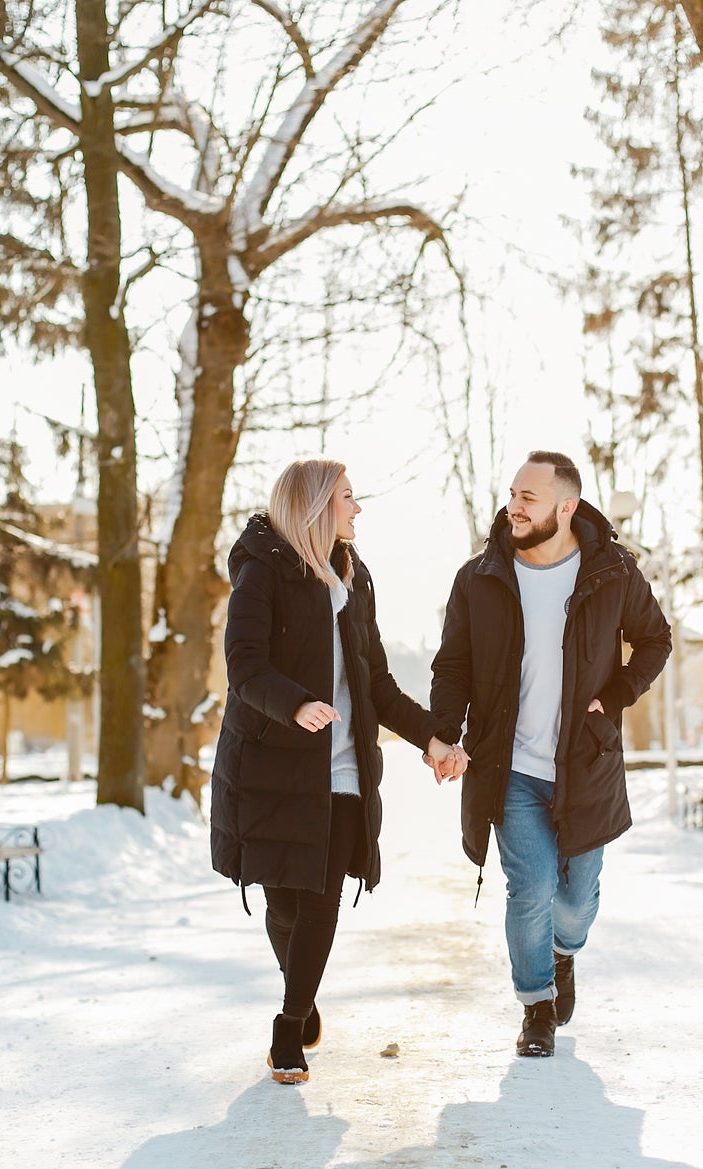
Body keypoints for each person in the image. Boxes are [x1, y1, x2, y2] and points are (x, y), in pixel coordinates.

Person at [210, 458, 465, 1085]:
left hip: (345, 768)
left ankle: (289, 1026)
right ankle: (304, 988)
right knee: (284, 906)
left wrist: (431, 737)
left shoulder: (357, 578)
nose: (357, 509)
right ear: (317, 504)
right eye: (348, 497)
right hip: (272, 767)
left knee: (320, 900)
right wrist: (295, 703)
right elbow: (243, 665)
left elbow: (375, 681)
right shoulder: (262, 571)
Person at [429, 451, 670, 1057]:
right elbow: (453, 665)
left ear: (566, 507)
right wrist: (444, 733)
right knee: (530, 887)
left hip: (584, 765)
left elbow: (655, 639)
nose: (514, 505)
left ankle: (563, 955)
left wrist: (615, 694)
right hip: (507, 766)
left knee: (575, 902)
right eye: (512, 493)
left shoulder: (612, 571)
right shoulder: (480, 577)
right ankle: (535, 1005)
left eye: (529, 498)